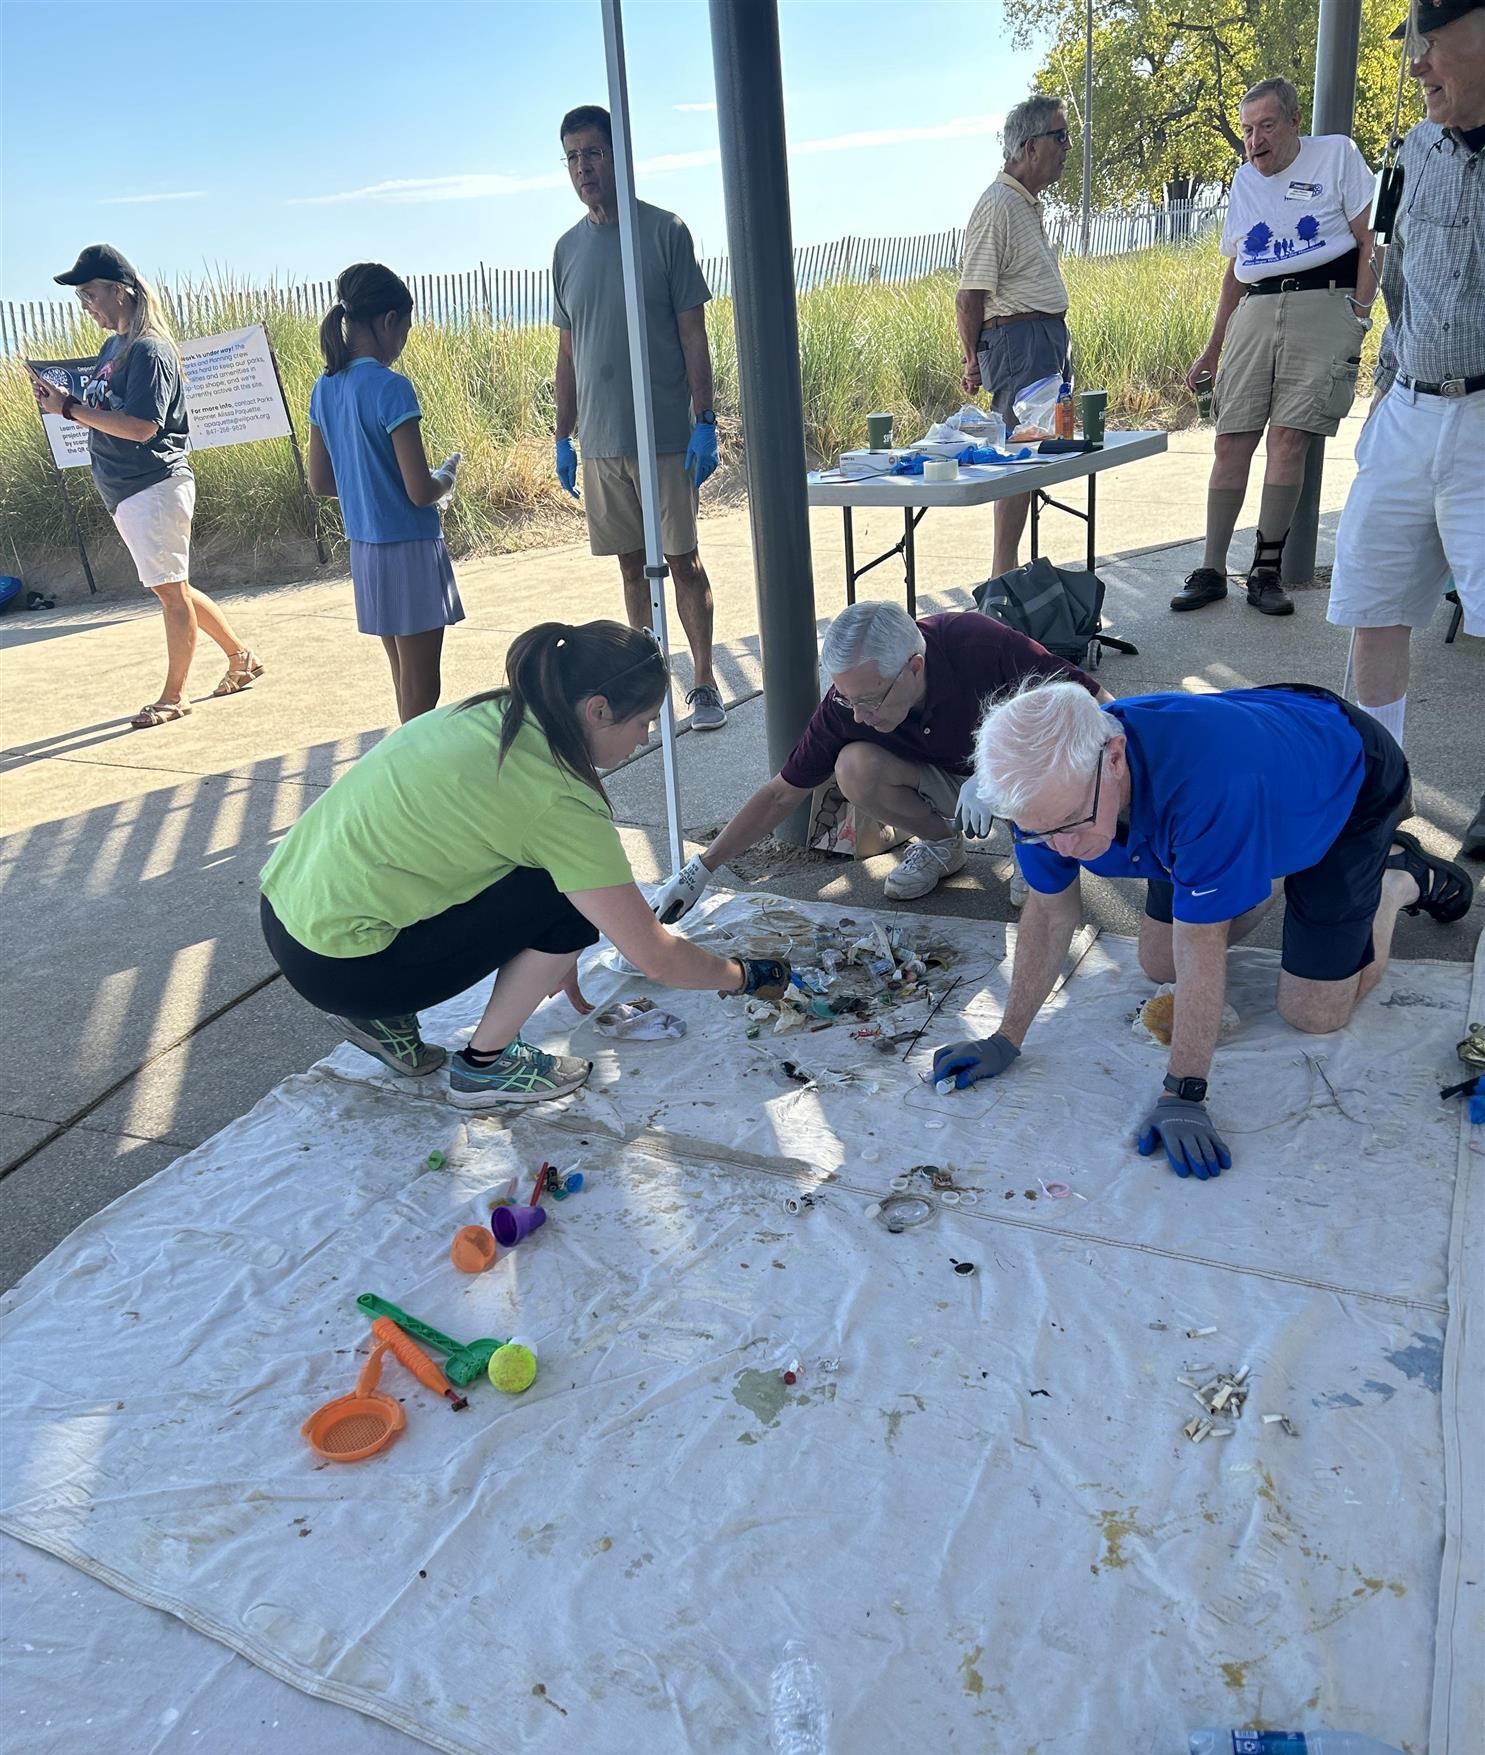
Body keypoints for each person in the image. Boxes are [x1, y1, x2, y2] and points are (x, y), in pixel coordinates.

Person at [932, 680, 1473, 1180]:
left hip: (1346, 776)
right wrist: (1007, 1038)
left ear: (1114, 759)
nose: (1061, 849)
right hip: (1247, 775)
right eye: (1038, 833)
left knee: (1314, 1014)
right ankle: (1256, 864)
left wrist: (1184, 1092)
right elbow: (1049, 914)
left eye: (1072, 825)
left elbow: (1203, 942)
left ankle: (1400, 878)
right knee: (1158, 964)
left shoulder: (1207, 791)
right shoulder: (1046, 800)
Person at [259, 621, 787, 1111]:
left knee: (566, 889)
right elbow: (655, 957)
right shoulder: (556, 797)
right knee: (568, 901)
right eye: (644, 722)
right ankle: (485, 1066)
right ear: (599, 710)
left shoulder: (493, 710)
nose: (645, 739)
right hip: (345, 967)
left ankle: (387, 1026)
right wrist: (744, 976)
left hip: (288, 918)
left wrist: (556, 955)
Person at [650, 600, 1107, 921]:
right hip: (943, 777)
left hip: (1022, 773)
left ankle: (1034, 845)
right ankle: (942, 845)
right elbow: (781, 793)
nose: (860, 715)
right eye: (849, 701)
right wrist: (703, 867)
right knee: (853, 766)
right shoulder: (849, 701)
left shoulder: (980, 645)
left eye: (869, 700)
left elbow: (1100, 708)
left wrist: (999, 773)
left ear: (913, 667)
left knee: (1037, 893)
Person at [1327, 0, 1485, 859]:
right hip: (1408, 407)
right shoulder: (1414, 150)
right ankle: (1375, 789)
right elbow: (1402, 283)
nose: (1416, 64)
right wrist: (1385, 389)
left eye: (1429, 43)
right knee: (1372, 604)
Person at [1174, 77, 1377, 618]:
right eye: (1246, 130)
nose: (1254, 140)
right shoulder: (1244, 181)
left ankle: (1266, 570)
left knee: (1289, 441)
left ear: (1292, 122)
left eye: (1265, 126)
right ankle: (1212, 567)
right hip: (1255, 310)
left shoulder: (1336, 156)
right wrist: (1213, 345)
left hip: (1323, 305)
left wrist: (1358, 315)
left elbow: (1368, 242)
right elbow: (1235, 268)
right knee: (1231, 438)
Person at [37, 244, 263, 728]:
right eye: (81, 298)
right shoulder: (113, 348)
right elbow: (115, 413)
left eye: (90, 293)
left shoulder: (149, 348)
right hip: (129, 489)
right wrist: (68, 401)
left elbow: (142, 426)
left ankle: (174, 696)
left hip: (153, 485)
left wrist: (70, 410)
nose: (87, 306)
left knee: (170, 592)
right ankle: (240, 658)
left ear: (120, 289)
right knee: (172, 587)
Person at [552, 105, 727, 731]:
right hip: (600, 443)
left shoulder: (663, 232)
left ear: (617, 157)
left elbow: (693, 334)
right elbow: (568, 351)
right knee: (632, 565)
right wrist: (562, 436)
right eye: (572, 157)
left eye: (593, 154)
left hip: (664, 438)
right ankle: (647, 685)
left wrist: (705, 419)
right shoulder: (567, 249)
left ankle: (703, 682)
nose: (583, 168)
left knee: (681, 559)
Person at [307, 263, 463, 723]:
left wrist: (367, 489)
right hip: (410, 549)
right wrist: (447, 478)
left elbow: (321, 482)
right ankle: (409, 784)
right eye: (406, 329)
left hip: (366, 550)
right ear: (388, 321)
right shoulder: (392, 388)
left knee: (404, 685)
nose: (403, 342)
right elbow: (420, 490)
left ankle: (409, 775)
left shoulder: (325, 386)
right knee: (422, 693)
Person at [955, 95, 1073, 578]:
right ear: (1029, 147)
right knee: (1018, 457)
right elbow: (969, 296)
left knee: (1034, 455)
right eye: (1059, 137)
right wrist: (971, 360)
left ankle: (1014, 574)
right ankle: (1003, 576)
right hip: (1018, 343)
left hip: (1040, 340)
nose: (1067, 147)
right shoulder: (999, 203)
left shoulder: (1024, 203)